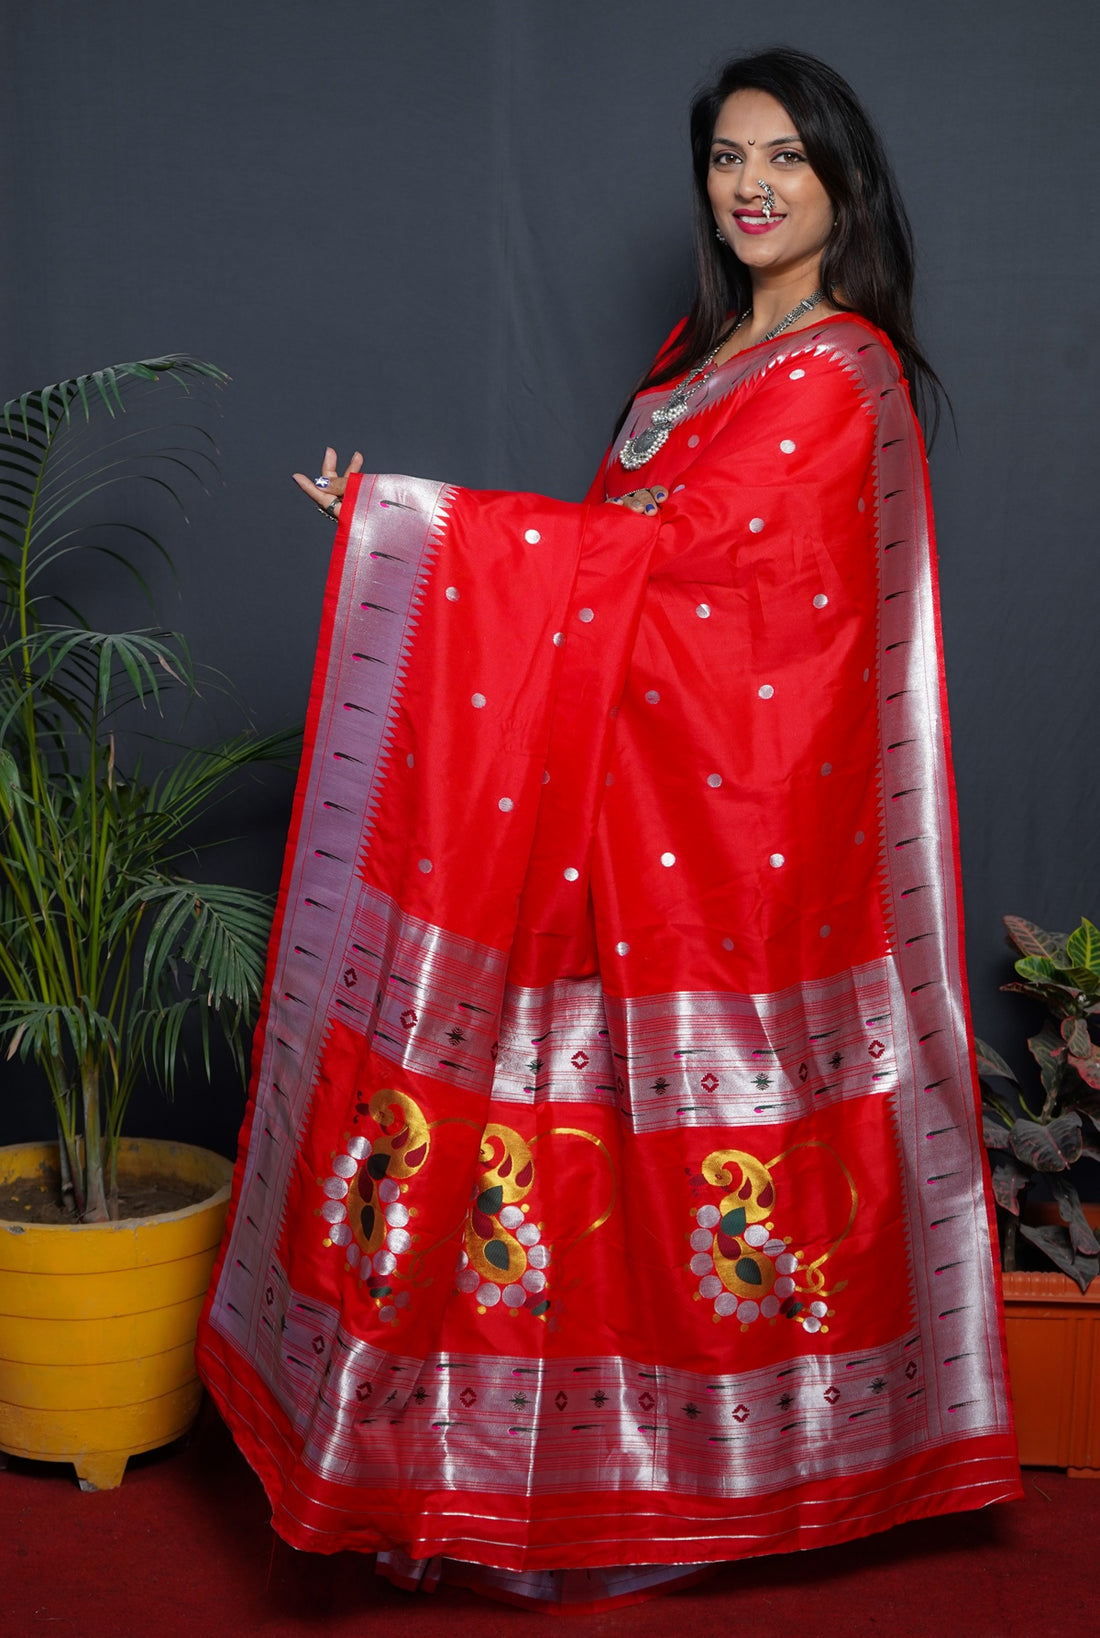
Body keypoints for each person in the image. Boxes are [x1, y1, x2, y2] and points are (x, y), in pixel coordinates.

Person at [197, 47, 1021, 1612]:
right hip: (603, 817)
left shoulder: (844, 377)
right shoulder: (691, 355)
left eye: (783, 153)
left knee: (681, 1169)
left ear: (842, 174)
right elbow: (605, 575)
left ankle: (700, 1488)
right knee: (544, 1135)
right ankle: (503, 1470)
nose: (752, 184)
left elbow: (710, 590)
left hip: (740, 846)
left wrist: (419, 533)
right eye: (726, 157)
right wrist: (423, 542)